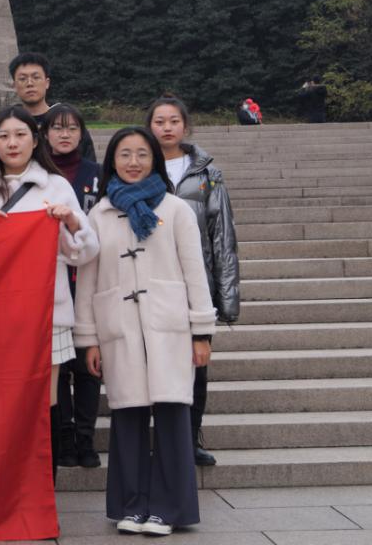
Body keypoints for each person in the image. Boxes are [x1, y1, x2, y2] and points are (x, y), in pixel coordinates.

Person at [73, 127, 217, 536]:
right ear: (112, 161)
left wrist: (201, 332)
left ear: (155, 158)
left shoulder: (176, 209)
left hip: (169, 326)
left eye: (141, 154)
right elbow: (88, 281)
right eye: (124, 154)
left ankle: (168, 508)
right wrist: (89, 339)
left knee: (172, 415)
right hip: (119, 327)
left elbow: (195, 272)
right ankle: (131, 504)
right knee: (128, 415)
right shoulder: (100, 214)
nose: (133, 162)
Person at [0, 106, 99, 483]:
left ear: (35, 140)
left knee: (44, 401)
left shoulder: (55, 185)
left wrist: (70, 221)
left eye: (20, 135)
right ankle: (0, 489)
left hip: (46, 312)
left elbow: (86, 252)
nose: (12, 143)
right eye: (3, 136)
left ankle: (42, 490)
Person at [147, 95, 240, 467]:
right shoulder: (139, 168)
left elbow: (223, 236)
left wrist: (226, 297)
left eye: (174, 120)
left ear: (185, 126)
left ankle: (190, 437)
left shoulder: (207, 174)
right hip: (153, 282)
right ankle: (159, 439)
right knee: (154, 366)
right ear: (149, 127)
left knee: (196, 366)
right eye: (159, 121)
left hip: (195, 284)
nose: (167, 127)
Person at [45, 104, 104, 469]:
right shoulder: (41, 176)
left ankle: (85, 437)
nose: (64, 134)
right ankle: (64, 437)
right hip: (52, 279)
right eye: (57, 128)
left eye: (71, 128)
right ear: (45, 134)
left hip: (89, 275)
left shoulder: (98, 174)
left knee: (86, 363)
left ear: (82, 134)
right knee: (58, 363)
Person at [9, 52, 96, 161]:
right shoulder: (9, 122)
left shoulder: (68, 120)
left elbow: (88, 163)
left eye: (36, 77)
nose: (30, 83)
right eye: (22, 79)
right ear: (14, 85)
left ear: (47, 83)